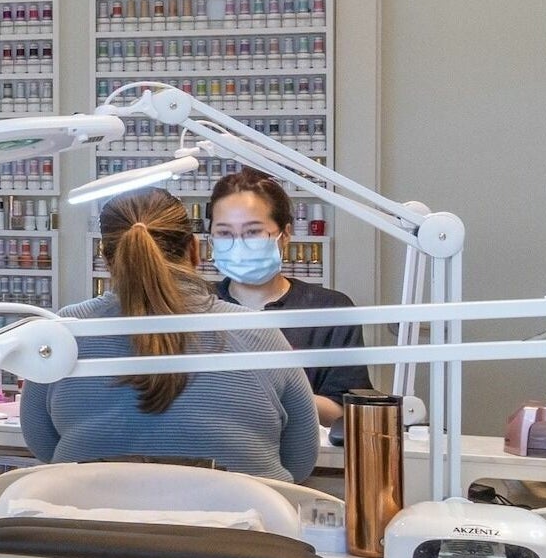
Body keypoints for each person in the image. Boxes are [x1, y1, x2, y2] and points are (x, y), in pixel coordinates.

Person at [21, 188, 321, 480]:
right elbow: (300, 459)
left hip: (92, 525)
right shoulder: (258, 335)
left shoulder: (62, 334)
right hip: (238, 527)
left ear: (106, 257)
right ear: (194, 249)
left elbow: (42, 445)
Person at [205, 165, 367, 435]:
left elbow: (342, 411)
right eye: (224, 233)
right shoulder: (198, 306)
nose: (238, 243)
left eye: (253, 231)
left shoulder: (329, 309)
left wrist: (267, 390)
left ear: (285, 235)